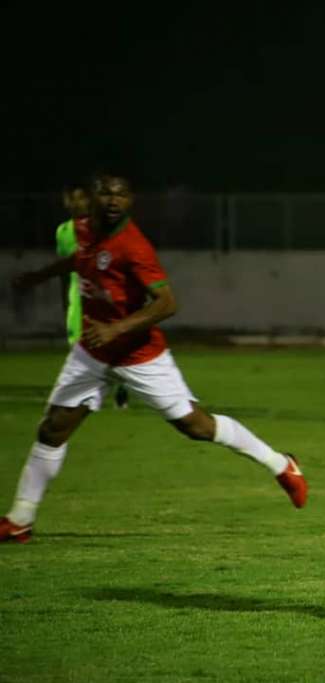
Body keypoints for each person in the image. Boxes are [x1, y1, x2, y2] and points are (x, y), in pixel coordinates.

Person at [0, 172, 307, 544]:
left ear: (131, 201)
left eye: (122, 195)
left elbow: (167, 303)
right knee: (52, 429)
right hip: (92, 351)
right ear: (92, 198)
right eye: (107, 194)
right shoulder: (83, 230)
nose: (114, 201)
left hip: (138, 354)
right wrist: (38, 276)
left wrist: (116, 329)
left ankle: (280, 464)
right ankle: (20, 518)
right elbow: (78, 260)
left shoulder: (134, 247)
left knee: (195, 426)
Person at [56, 181, 129, 408]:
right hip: (76, 299)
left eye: (81, 198)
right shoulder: (64, 231)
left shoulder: (102, 227)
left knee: (109, 344)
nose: (77, 203)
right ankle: (87, 395)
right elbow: (63, 269)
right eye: (72, 199)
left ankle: (119, 384)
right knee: (77, 345)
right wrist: (65, 301)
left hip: (101, 296)